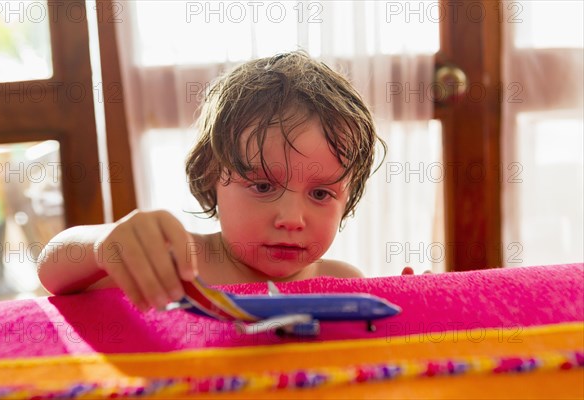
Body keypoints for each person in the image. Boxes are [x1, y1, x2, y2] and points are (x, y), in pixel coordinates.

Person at [37, 51, 385, 311]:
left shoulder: (345, 284)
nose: (292, 219)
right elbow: (52, 271)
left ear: (348, 198)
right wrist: (103, 244)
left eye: (321, 193)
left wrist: (414, 302)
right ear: (209, 175)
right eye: (263, 186)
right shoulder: (178, 265)